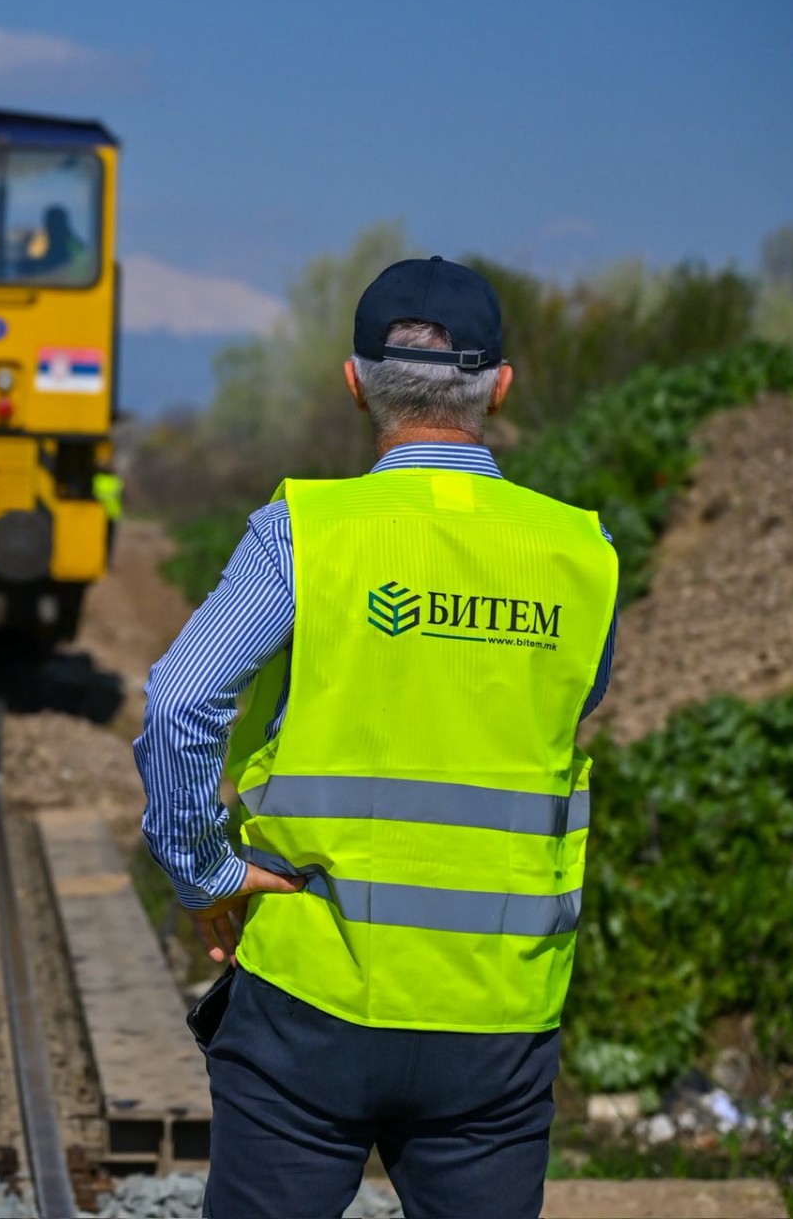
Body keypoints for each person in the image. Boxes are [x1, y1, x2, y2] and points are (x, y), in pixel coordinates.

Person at [134, 256, 618, 1219]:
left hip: (310, 1003)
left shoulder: (305, 533)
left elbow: (181, 700)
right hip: (498, 1016)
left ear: (354, 383)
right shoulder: (581, 555)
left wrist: (205, 873)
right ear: (501, 386)